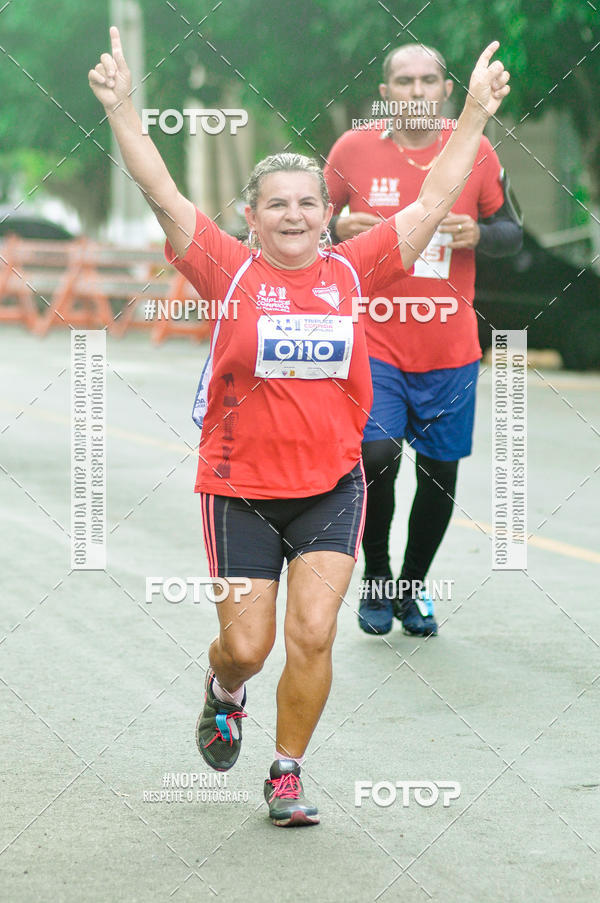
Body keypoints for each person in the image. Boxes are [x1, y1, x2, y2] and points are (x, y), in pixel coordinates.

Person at [89, 28, 510, 826]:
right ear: (251, 216)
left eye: (307, 202)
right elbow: (160, 191)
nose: (292, 214)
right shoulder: (225, 265)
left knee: (313, 633)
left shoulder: (356, 268)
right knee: (248, 645)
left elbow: (429, 201)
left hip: (330, 486)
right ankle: (224, 690)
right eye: (275, 203)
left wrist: (477, 114)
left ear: (328, 214)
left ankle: (286, 769)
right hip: (240, 488)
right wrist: (121, 111)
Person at [324, 43, 522, 639]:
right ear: (385, 94)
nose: (416, 91)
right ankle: (378, 579)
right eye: (404, 81)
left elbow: (513, 234)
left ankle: (412, 590)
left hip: (450, 348)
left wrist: (478, 234)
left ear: (444, 90)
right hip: (374, 341)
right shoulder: (352, 152)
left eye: (428, 80)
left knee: (438, 474)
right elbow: (303, 223)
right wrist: (337, 228)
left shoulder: (476, 152)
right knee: (377, 457)